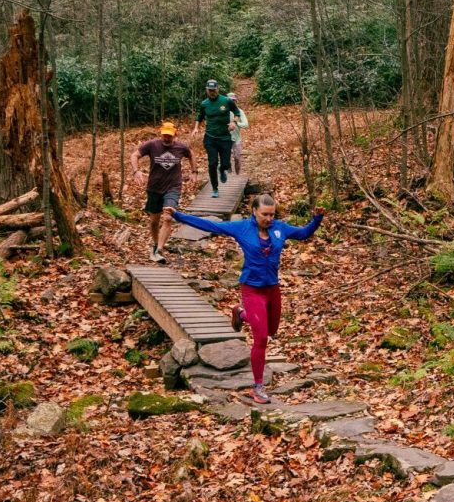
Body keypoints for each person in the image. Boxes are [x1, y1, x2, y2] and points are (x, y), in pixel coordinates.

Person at [168, 194, 324, 404]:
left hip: (272, 288)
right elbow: (210, 226)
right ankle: (258, 387)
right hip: (252, 289)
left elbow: (303, 234)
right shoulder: (241, 228)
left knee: (271, 330)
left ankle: (240, 313)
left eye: (272, 214)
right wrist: (179, 216)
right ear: (254, 211)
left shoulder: (280, 228)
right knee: (260, 339)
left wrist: (316, 220)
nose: (269, 218)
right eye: (265, 214)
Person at [129, 120, 192, 263]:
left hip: (173, 187)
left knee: (168, 217)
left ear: (175, 134)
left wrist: (194, 171)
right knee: (153, 222)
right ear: (161, 133)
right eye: (164, 135)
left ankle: (159, 250)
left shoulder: (181, 147)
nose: (166, 138)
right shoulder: (152, 145)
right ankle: (155, 244)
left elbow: (191, 155)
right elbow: (134, 155)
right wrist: (136, 171)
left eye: (169, 136)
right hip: (154, 187)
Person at [192, 79, 243, 196]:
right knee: (212, 163)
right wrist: (196, 128)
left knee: (225, 164)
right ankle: (215, 189)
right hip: (210, 138)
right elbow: (199, 117)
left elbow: (237, 113)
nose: (212, 92)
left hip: (225, 138)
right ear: (206, 90)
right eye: (210, 90)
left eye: (214, 90)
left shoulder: (226, 101)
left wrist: (234, 122)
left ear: (218, 89)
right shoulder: (204, 104)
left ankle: (222, 169)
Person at [228, 92, 249, 175]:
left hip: (236, 138)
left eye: (233, 100)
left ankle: (237, 175)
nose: (232, 102)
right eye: (230, 100)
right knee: (226, 159)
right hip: (225, 138)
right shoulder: (223, 111)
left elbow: (246, 124)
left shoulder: (239, 111)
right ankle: (228, 176)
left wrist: (237, 124)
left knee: (237, 157)